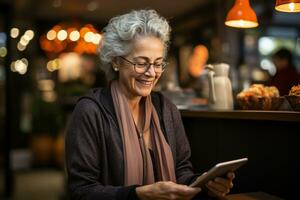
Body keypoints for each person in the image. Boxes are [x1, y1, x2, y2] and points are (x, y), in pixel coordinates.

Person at [65, 9, 235, 200]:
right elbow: (80, 190)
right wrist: (138, 195)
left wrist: (203, 183)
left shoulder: (167, 109)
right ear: (115, 61)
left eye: (157, 63)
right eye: (141, 63)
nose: (151, 73)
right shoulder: (90, 111)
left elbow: (182, 172)